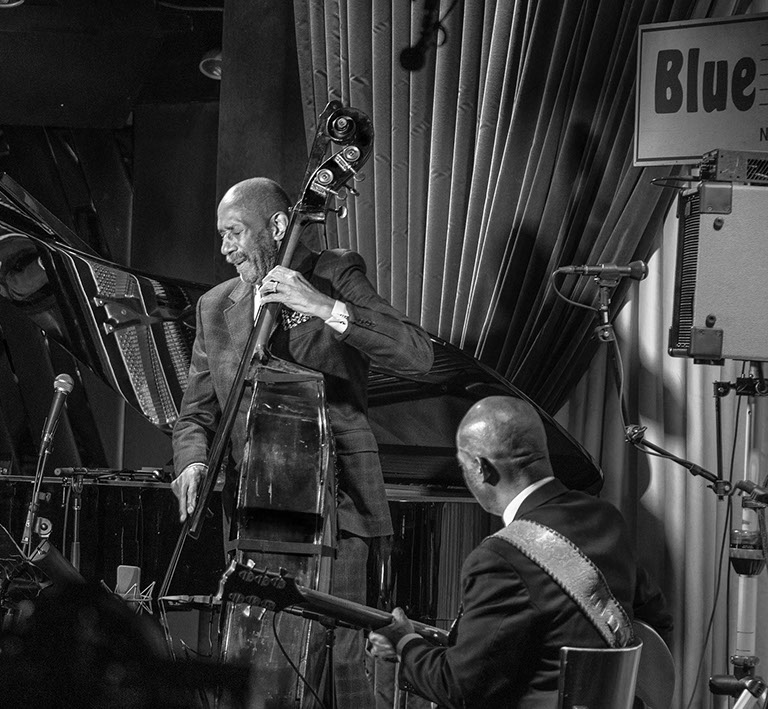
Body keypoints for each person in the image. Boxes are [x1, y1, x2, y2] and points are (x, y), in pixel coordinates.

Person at [170, 177, 434, 704]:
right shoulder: (214, 306)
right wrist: (192, 461)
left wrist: (321, 305)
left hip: (336, 506)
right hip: (254, 513)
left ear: (277, 226)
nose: (225, 249)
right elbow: (196, 413)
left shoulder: (335, 273)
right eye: (221, 236)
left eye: (234, 233)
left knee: (341, 668)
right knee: (258, 670)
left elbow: (416, 354)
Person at [368, 396, 673, 707]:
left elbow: (460, 689)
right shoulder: (605, 518)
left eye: (463, 466)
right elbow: (655, 621)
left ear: (481, 469)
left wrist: (405, 643)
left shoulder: (499, 558)